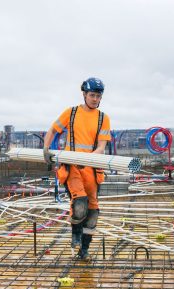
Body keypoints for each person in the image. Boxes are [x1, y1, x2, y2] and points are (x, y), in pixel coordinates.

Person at [43, 77, 111, 261]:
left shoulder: (103, 119)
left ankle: (85, 249)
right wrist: (46, 150)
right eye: (92, 95)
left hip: (91, 168)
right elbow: (52, 131)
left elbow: (101, 147)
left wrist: (88, 159)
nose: (95, 99)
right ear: (84, 94)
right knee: (79, 203)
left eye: (98, 96)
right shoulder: (71, 113)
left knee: (93, 211)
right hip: (72, 166)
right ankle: (75, 236)